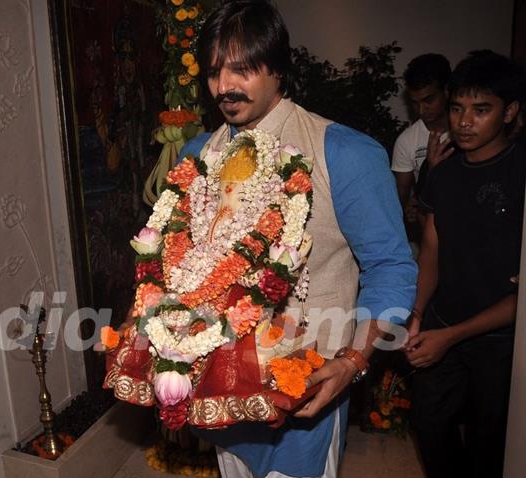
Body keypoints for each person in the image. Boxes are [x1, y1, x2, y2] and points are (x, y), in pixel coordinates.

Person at [175, 2, 416, 476]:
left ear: (280, 68)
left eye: (242, 68)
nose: (225, 87)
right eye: (214, 72)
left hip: (305, 388)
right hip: (220, 386)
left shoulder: (343, 153)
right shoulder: (198, 153)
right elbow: (179, 261)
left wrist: (352, 360)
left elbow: (392, 267)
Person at [405, 50, 525, 478]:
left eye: (481, 110)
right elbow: (432, 251)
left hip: (504, 339)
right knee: (429, 425)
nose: (464, 122)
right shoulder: (445, 173)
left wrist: (451, 336)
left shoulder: (520, 171)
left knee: (490, 447)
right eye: (457, 108)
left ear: (509, 112)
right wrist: (417, 315)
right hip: (443, 321)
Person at [391, 54, 452, 237]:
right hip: (429, 228)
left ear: (447, 91)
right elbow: (400, 197)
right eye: (415, 103)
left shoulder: (467, 132)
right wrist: (411, 213)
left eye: (428, 100)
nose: (421, 110)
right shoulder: (406, 140)